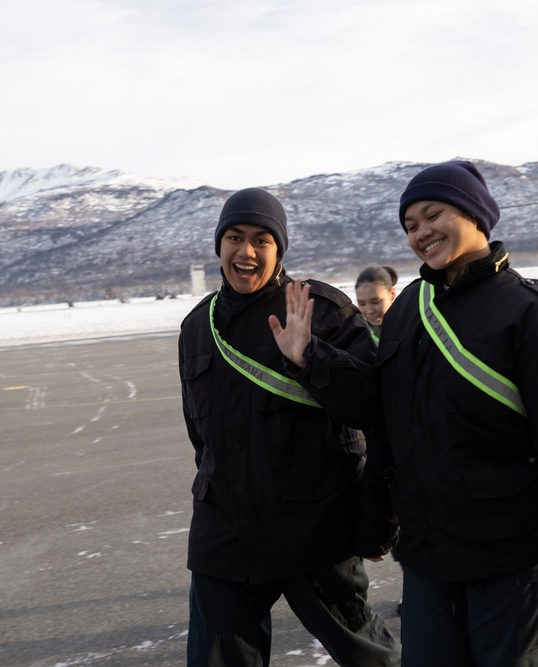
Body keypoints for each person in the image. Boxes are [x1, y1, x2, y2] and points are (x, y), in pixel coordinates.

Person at [352, 161, 538, 665]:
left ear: (474, 214)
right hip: (429, 558)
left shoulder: (531, 312)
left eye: (432, 214)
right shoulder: (408, 310)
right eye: (410, 225)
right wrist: (376, 522)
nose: (421, 233)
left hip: (514, 557)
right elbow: (388, 426)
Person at [178, 187, 400, 667]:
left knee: (369, 656)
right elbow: (201, 437)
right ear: (219, 245)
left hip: (312, 524)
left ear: (279, 249)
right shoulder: (198, 326)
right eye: (235, 237)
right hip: (226, 530)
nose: (247, 251)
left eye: (262, 240)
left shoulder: (318, 307)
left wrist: (309, 357)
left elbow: (372, 405)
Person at [355, 266, 398, 343]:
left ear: (392, 294)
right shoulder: (357, 334)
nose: (369, 311)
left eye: (376, 302)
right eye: (362, 304)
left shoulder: (410, 325)